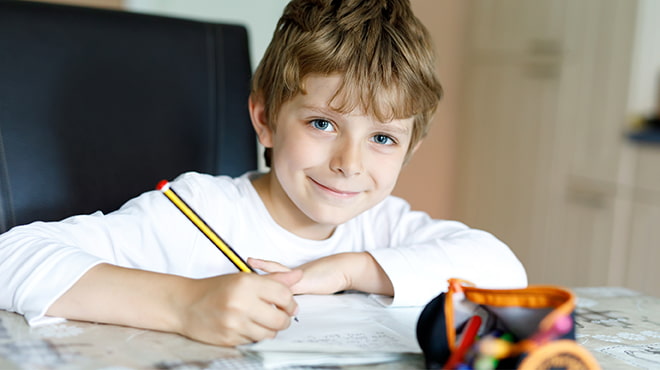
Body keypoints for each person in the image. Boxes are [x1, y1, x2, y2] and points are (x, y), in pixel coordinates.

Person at [0, 0, 526, 347]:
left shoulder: (385, 228)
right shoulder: (198, 210)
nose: (350, 162)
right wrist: (187, 305)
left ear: (409, 149)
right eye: (323, 123)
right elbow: (11, 258)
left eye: (383, 138)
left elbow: (505, 273)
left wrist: (346, 271)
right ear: (265, 120)